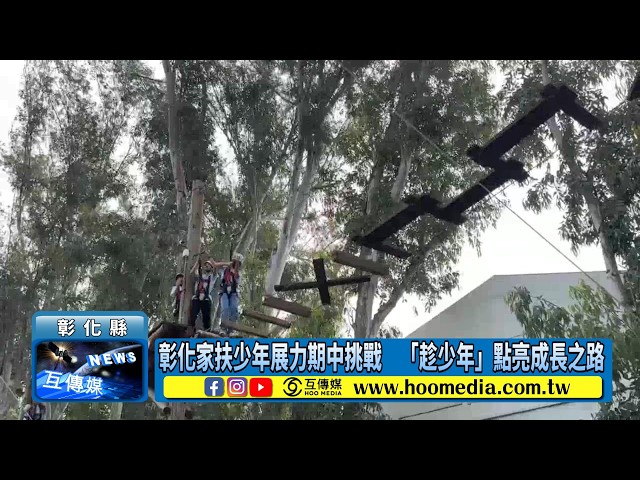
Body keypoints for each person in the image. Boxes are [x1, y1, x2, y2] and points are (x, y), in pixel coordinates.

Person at [219, 253, 243, 334]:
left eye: (238, 263)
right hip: (224, 292)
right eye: (235, 262)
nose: (236, 265)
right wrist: (228, 264)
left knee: (234, 308)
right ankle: (223, 328)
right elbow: (216, 265)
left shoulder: (238, 273)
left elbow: (236, 275)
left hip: (234, 293)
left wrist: (236, 265)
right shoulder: (225, 270)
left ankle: (232, 329)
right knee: (225, 309)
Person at [190, 259, 217, 331]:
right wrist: (197, 263)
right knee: (193, 315)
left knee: (206, 317)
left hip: (206, 298)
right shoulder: (199, 275)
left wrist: (211, 259)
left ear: (211, 268)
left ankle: (207, 330)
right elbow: (192, 272)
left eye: (208, 265)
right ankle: (191, 329)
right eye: (205, 265)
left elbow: (215, 268)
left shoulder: (212, 277)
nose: (206, 266)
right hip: (197, 297)